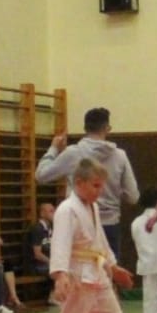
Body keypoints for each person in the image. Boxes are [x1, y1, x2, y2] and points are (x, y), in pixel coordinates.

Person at [43, 160, 157, 313]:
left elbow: (101, 243)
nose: (100, 191)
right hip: (77, 275)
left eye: (101, 186)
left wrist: (113, 267)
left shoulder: (93, 208)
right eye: (95, 186)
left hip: (97, 272)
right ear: (79, 183)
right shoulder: (67, 210)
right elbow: (60, 244)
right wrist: (60, 275)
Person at [35, 106, 139, 255]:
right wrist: (114, 192)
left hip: (79, 222)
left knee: (79, 266)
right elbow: (133, 196)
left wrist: (53, 149)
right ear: (107, 128)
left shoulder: (73, 153)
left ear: (85, 128)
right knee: (109, 267)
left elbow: (41, 175)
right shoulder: (120, 155)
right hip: (110, 224)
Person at [23, 200, 55, 286]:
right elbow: (38, 254)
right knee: (58, 272)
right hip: (35, 265)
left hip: (47, 264)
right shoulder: (37, 229)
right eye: (51, 211)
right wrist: (53, 262)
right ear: (42, 213)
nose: (54, 214)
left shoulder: (50, 229)